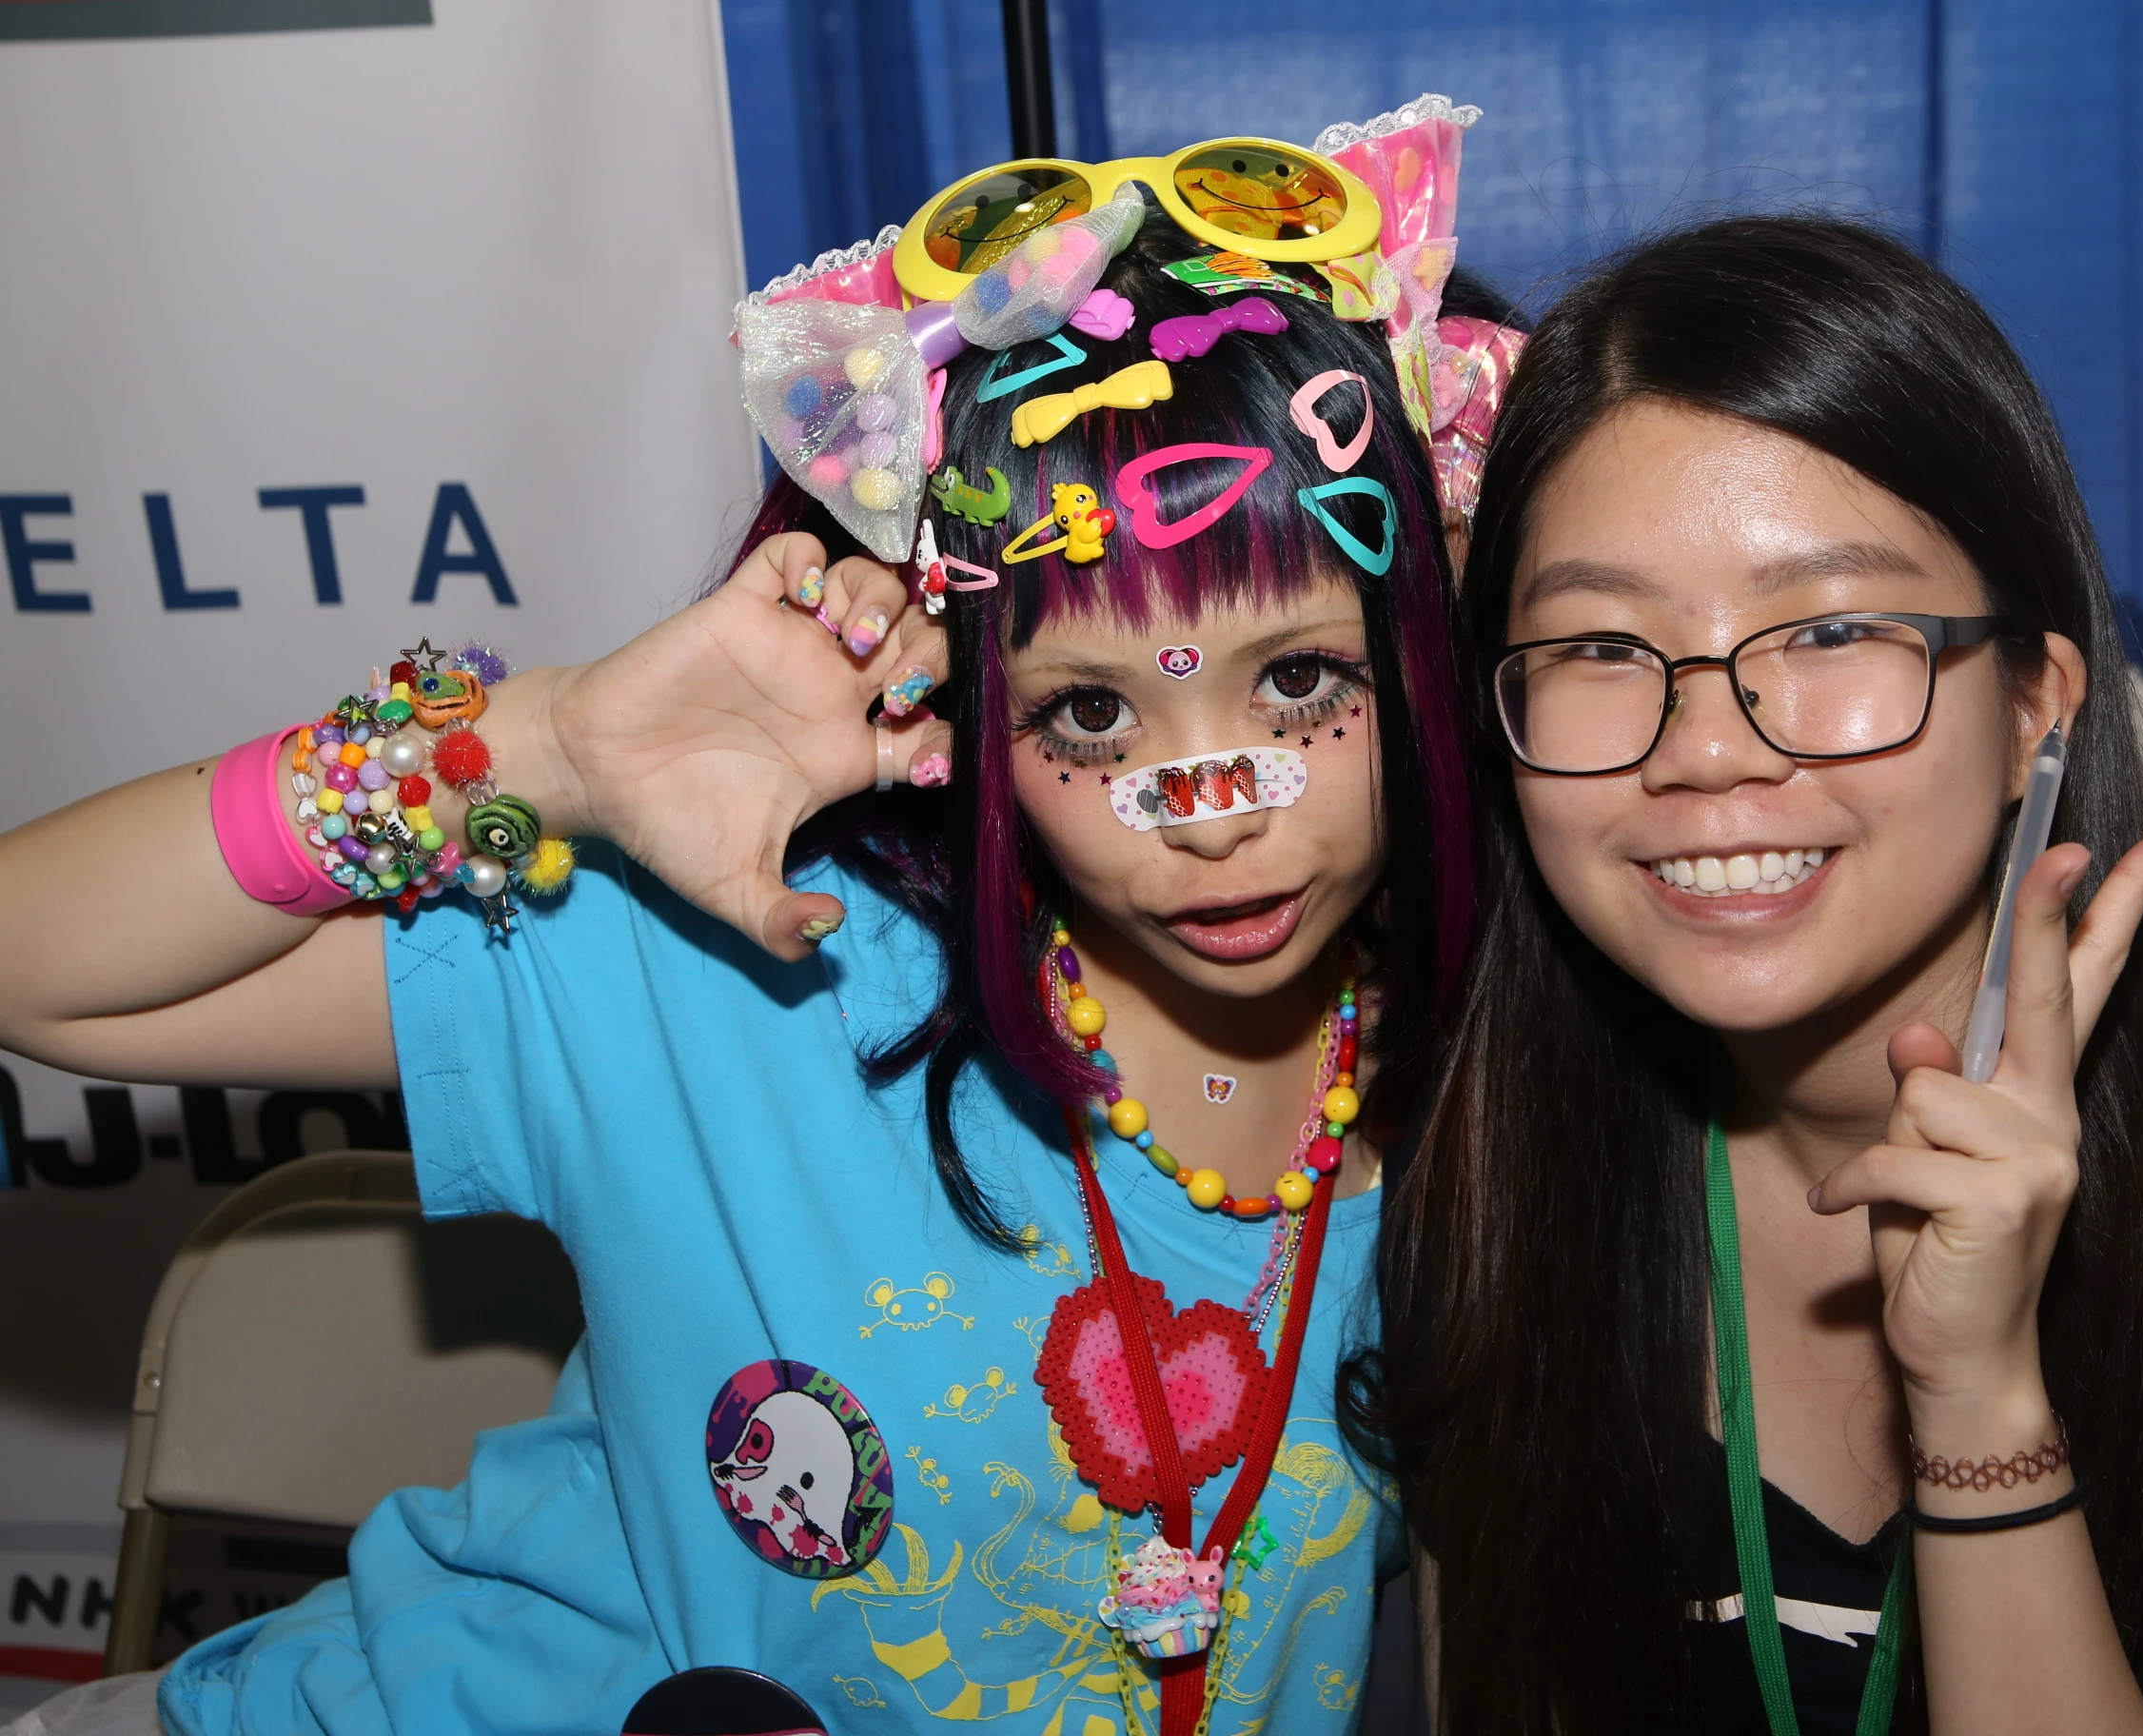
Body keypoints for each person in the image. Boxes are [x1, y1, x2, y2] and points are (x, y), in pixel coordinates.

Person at [0, 99, 1519, 1736]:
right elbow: (39, 964)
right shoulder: (772, 959)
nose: (1210, 814)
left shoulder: (1506, 1095)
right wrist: (547, 746)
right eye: (1090, 713)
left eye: (1301, 683)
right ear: (971, 708)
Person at [1353, 217, 2143, 1733]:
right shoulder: (1470, 1133)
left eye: (1835, 628)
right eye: (1598, 645)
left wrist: (1977, 1400)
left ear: (2037, 701)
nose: (1707, 748)